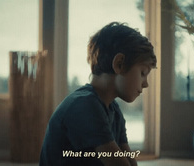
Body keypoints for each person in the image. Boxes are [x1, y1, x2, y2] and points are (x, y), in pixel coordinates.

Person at [39, 22, 157, 166]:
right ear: (119, 64)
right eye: (143, 73)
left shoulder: (114, 111)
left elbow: (129, 162)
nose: (146, 84)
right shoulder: (83, 105)